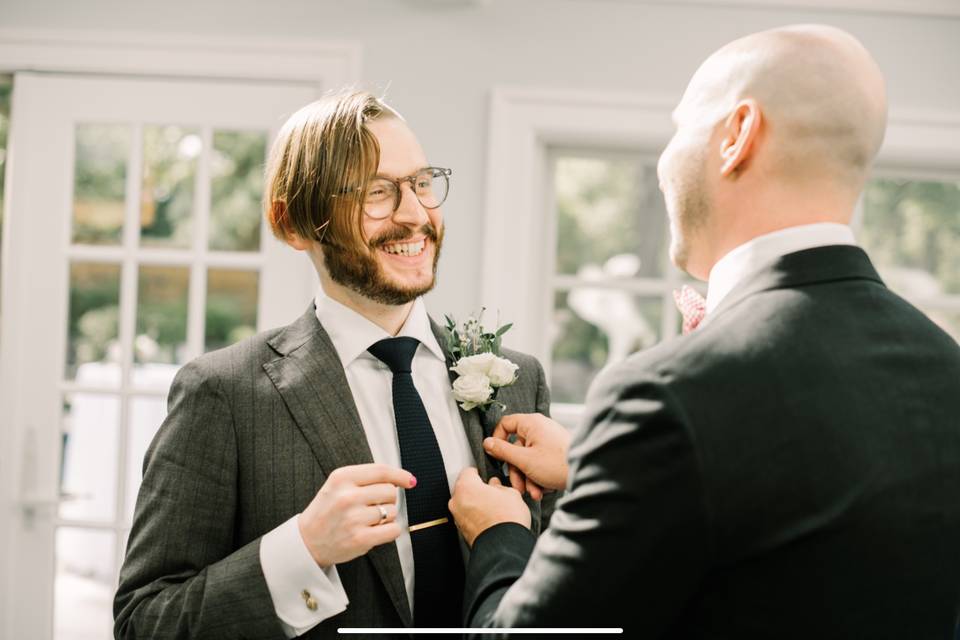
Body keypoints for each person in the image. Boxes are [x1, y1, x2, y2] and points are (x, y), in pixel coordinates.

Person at [449, 24, 960, 638]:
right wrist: (595, 464)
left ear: (737, 135)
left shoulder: (669, 393)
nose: (666, 162)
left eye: (679, 126)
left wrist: (500, 537)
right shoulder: (944, 369)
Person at [114, 90, 554, 639]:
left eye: (420, 183)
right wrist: (302, 548)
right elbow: (144, 624)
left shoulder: (520, 381)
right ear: (293, 223)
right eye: (377, 192)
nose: (415, 214)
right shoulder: (223, 394)